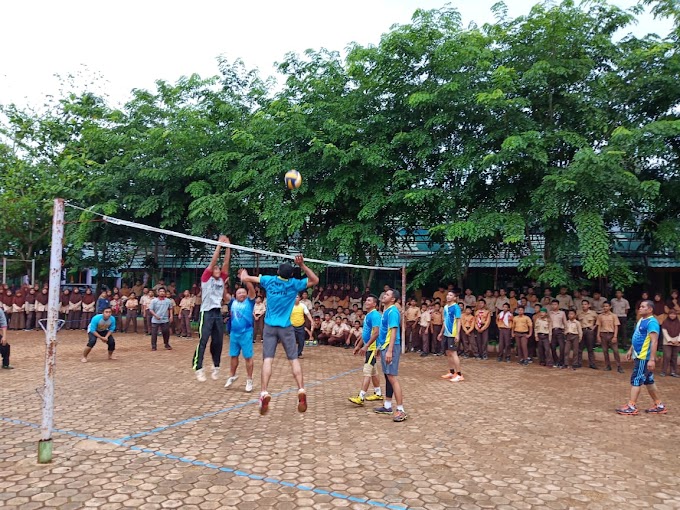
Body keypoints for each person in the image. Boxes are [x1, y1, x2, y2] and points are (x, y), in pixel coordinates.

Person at [239, 255, 319, 415]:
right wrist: (302, 265)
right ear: (291, 275)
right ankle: (301, 389)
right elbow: (315, 280)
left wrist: (244, 274)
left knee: (267, 360)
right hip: (286, 328)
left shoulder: (269, 280)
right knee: (294, 360)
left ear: (278, 272)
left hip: (269, 327)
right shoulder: (294, 284)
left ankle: (264, 392)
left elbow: (246, 278)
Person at [616, 300, 667, 415]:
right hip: (639, 355)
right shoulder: (641, 320)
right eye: (640, 306)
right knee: (649, 381)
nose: (640, 308)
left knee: (636, 379)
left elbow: (654, 342)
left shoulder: (652, 322)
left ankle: (631, 406)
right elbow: (638, 337)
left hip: (644, 357)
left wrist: (652, 359)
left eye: (643, 307)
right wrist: (631, 350)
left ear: (650, 310)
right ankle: (659, 405)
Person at [193, 236, 231, 382]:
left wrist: (228, 246)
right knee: (203, 340)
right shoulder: (206, 278)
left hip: (217, 312)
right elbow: (213, 261)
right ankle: (198, 368)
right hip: (206, 312)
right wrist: (219, 245)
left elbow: (226, 262)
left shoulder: (221, 279)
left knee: (218, 341)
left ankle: (216, 367)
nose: (217, 268)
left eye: (218, 268)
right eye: (215, 268)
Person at [373, 289, 407, 422]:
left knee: (392, 377)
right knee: (388, 376)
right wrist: (380, 347)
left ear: (393, 299)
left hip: (391, 347)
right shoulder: (386, 311)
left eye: (387, 294)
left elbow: (393, 331)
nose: (383, 295)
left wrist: (389, 350)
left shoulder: (393, 312)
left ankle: (400, 409)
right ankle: (387, 405)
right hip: (385, 346)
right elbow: (384, 332)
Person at [348, 294, 383, 405]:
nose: (366, 302)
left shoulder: (375, 315)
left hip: (372, 347)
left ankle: (361, 396)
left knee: (367, 371)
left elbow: (376, 333)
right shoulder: (368, 315)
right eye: (366, 300)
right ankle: (378, 393)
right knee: (373, 371)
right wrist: (359, 346)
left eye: (369, 300)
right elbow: (366, 333)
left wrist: (367, 345)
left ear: (374, 304)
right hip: (369, 346)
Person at [224, 278, 257, 392]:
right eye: (239, 292)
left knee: (248, 357)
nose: (242, 294)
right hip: (234, 334)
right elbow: (224, 294)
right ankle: (232, 376)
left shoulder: (250, 301)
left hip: (246, 333)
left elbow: (252, 289)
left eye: (244, 292)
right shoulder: (232, 302)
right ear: (235, 295)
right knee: (233, 356)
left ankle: (249, 380)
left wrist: (245, 278)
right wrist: (223, 284)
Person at [438, 291, 463, 382]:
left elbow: (459, 321)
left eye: (451, 295)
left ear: (455, 298)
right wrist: (441, 332)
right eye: (448, 295)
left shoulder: (456, 307)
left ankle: (459, 374)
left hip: (453, 333)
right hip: (446, 333)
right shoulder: (445, 307)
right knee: (448, 353)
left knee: (453, 353)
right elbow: (445, 321)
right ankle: (452, 372)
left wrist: (457, 334)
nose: (448, 296)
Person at [597, 302, 623, 373]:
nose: (605, 308)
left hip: (611, 334)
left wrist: (615, 336)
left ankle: (619, 366)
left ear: (610, 307)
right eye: (604, 306)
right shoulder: (600, 316)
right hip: (603, 334)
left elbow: (616, 326)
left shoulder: (614, 316)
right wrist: (598, 335)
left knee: (615, 351)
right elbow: (599, 326)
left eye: (607, 306)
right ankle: (607, 365)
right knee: (605, 351)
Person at [577, 300, 599, 369]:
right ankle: (579, 363)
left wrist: (594, 327)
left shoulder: (593, 313)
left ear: (589, 305)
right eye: (583, 304)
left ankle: (592, 364)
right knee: (580, 348)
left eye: (585, 304)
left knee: (590, 348)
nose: (584, 306)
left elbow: (599, 320)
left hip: (589, 331)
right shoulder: (579, 313)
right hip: (581, 330)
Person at [291, 293, 314, 358]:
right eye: (294, 297)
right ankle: (292, 353)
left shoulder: (303, 306)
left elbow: (308, 314)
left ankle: (299, 353)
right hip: (292, 326)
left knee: (301, 341)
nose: (296, 298)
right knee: (292, 341)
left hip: (301, 325)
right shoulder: (290, 306)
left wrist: (312, 321)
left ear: (300, 298)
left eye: (297, 297)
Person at [660, 309, 680, 377]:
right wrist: (670, 340)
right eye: (671, 314)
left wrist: (678, 340)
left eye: (674, 314)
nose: (672, 315)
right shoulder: (665, 322)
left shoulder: (679, 322)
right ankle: (663, 371)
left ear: (676, 315)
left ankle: (673, 372)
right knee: (667, 356)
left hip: (677, 342)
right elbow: (664, 332)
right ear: (668, 315)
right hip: (667, 342)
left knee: (674, 357)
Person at [548, 300, 567, 368]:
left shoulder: (562, 313)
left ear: (558, 305)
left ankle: (561, 362)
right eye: (552, 304)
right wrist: (549, 334)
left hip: (560, 331)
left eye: (555, 304)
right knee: (552, 347)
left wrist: (565, 331)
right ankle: (556, 361)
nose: (554, 306)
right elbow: (549, 324)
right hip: (552, 331)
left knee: (562, 347)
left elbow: (565, 322)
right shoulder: (550, 313)